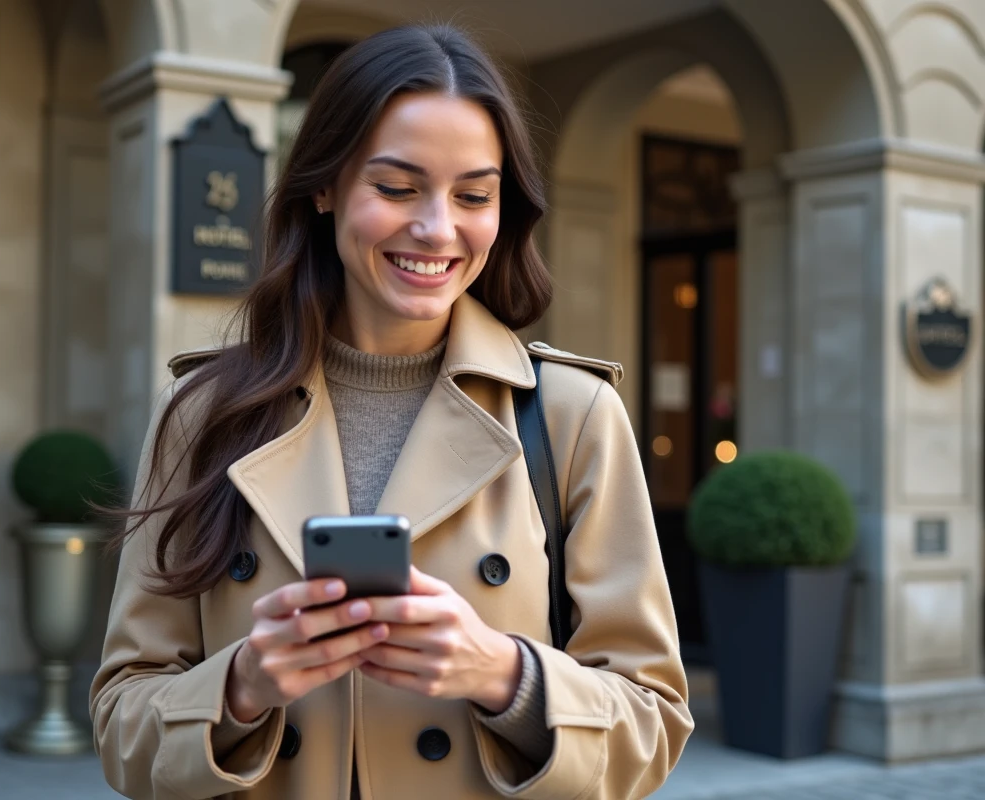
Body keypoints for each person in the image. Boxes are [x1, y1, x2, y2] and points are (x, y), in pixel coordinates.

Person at [91, 23, 692, 800]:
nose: (438, 228)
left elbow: (653, 724)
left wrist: (504, 675)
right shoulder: (204, 414)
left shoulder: (573, 417)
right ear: (325, 186)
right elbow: (119, 721)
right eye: (398, 187)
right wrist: (240, 685)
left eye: (474, 195)